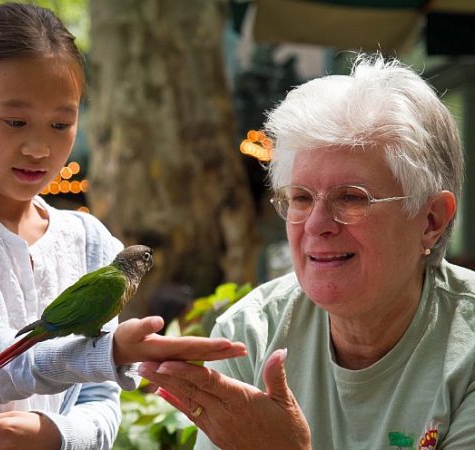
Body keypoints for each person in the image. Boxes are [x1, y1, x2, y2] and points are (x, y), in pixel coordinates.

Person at [0, 4, 246, 450]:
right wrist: (110, 352)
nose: (38, 147)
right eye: (15, 122)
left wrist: (56, 434)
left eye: (61, 123)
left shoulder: (90, 241)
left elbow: (102, 404)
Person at [139, 54, 475, 449]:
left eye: (351, 197)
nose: (316, 224)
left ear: (431, 220)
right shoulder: (250, 333)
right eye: (300, 198)